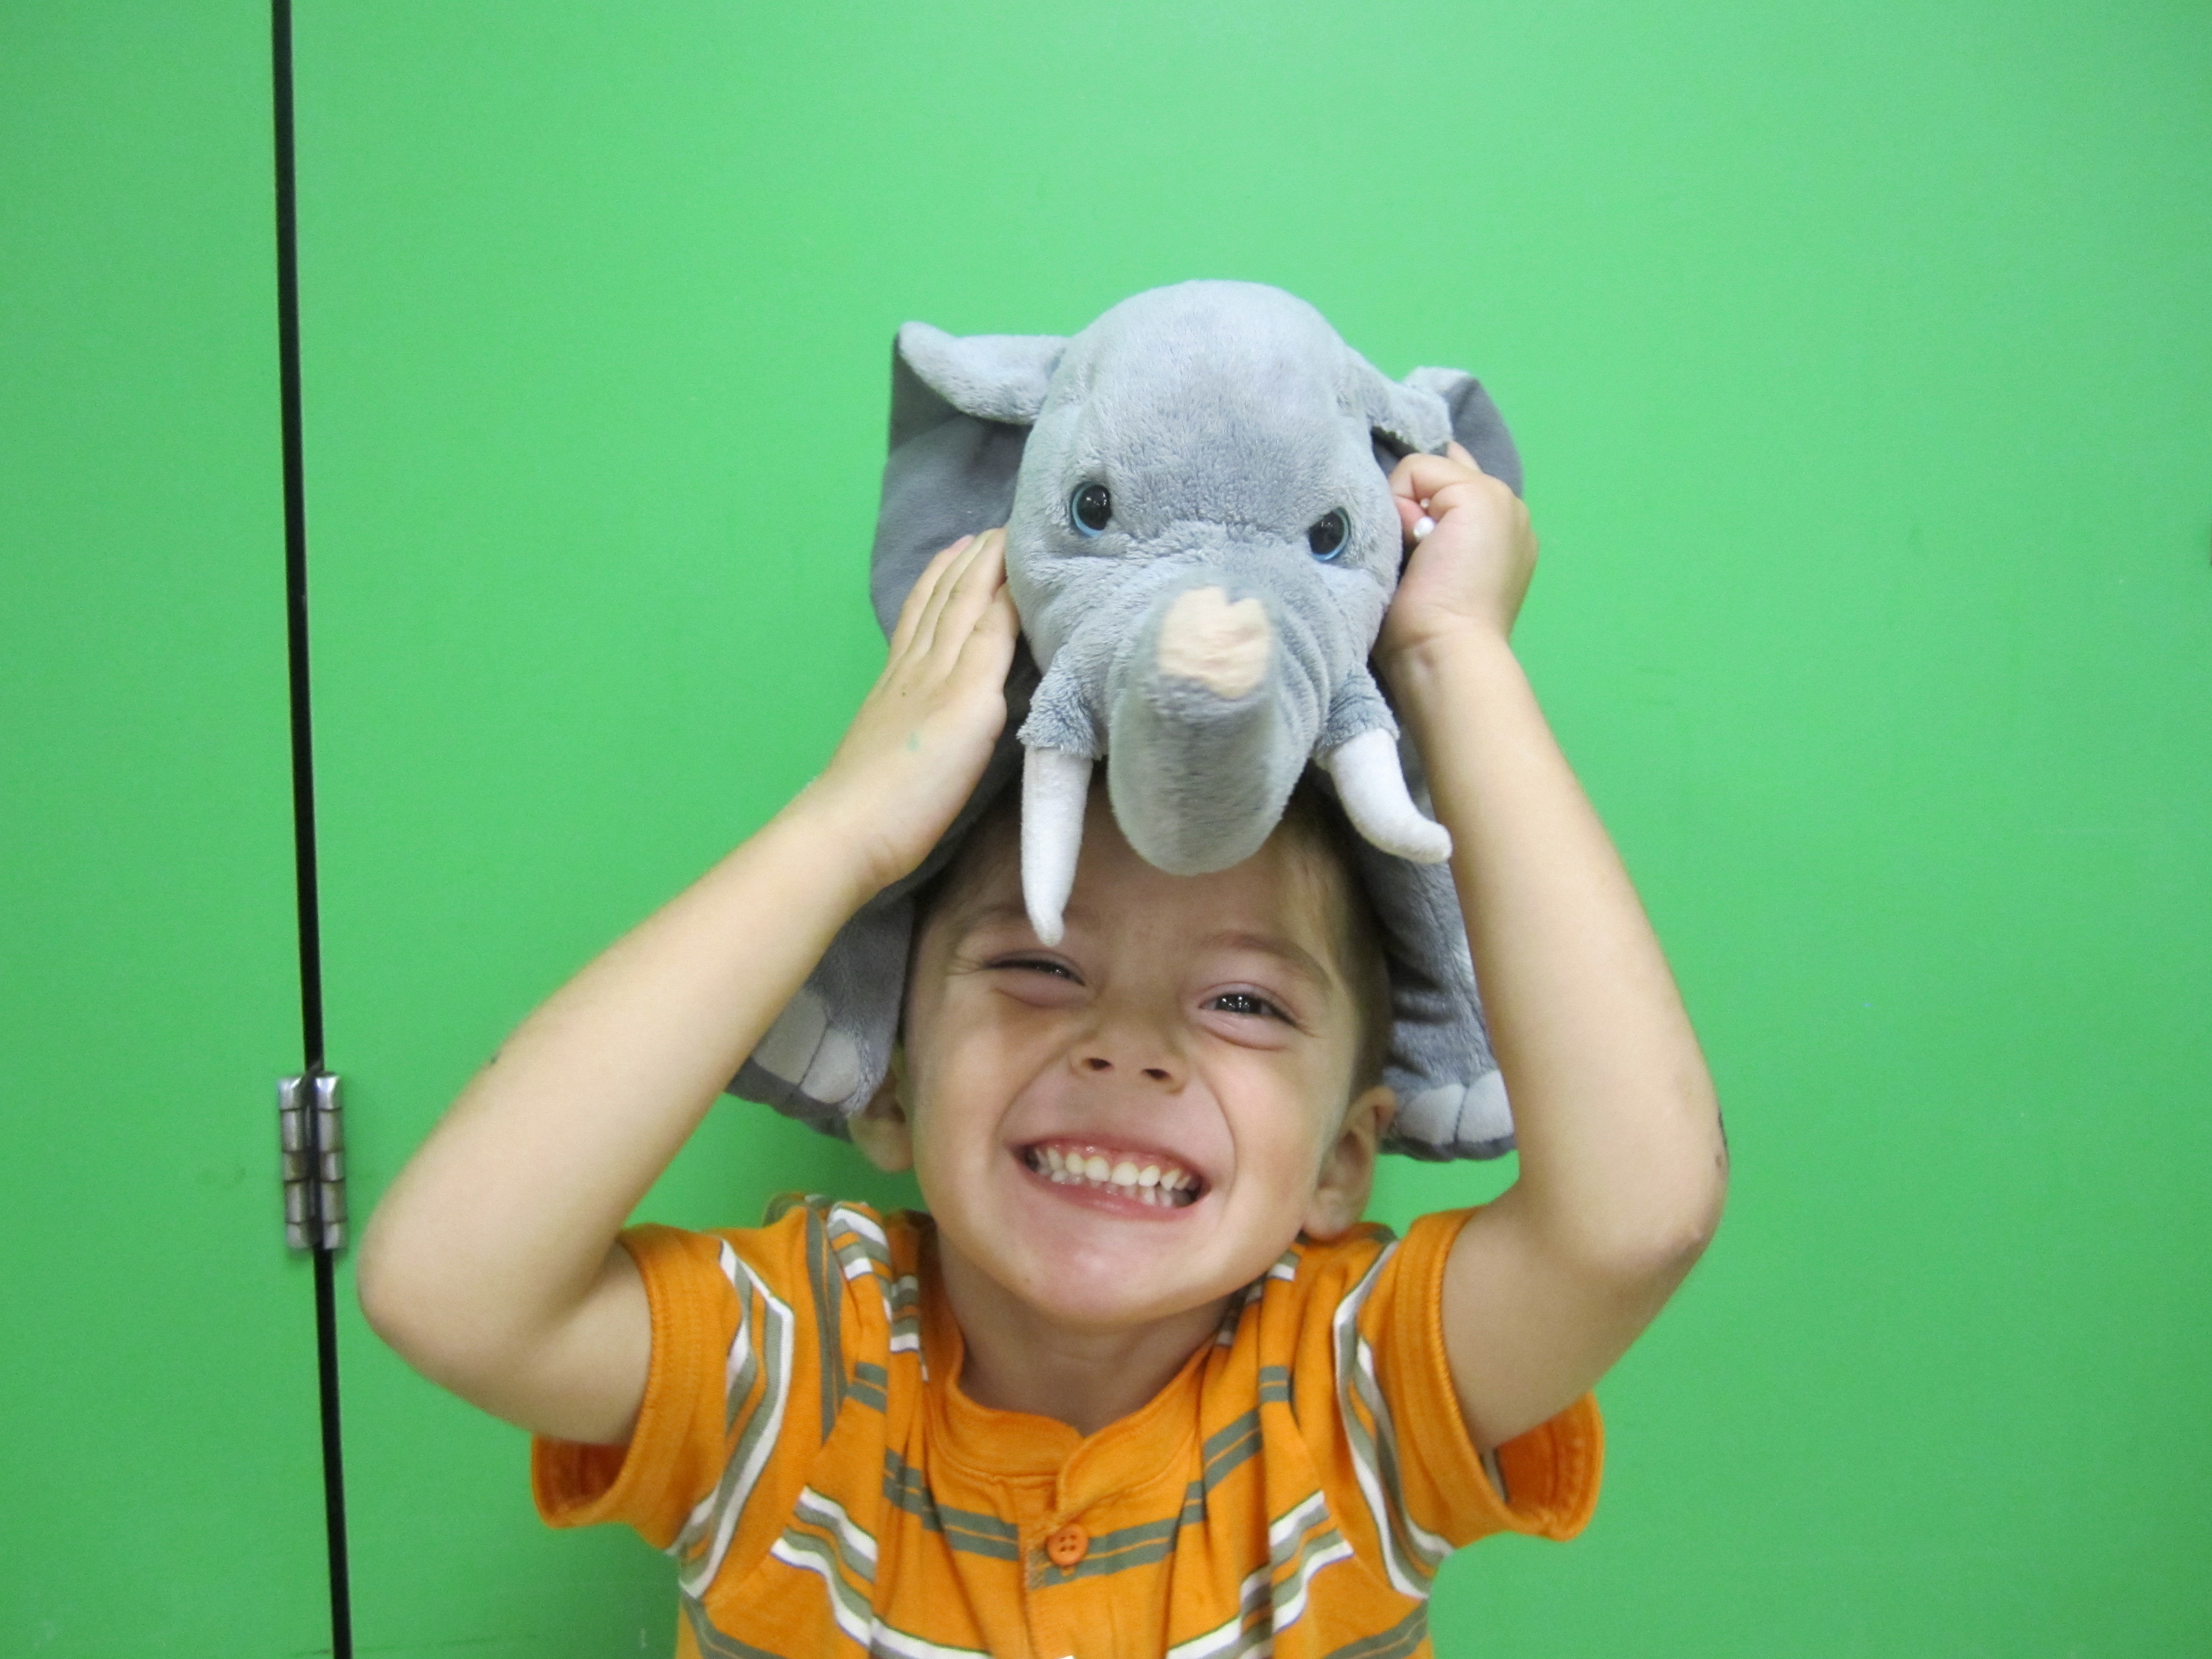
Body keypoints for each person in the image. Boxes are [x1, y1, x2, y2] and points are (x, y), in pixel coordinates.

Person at [359, 442, 1728, 1658]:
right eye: (1038, 967)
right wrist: (848, 825)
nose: (1128, 1049)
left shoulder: (1359, 1384)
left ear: (1341, 1163)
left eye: (1245, 1004)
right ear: (889, 1088)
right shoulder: (793, 1361)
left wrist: (1455, 657)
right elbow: (446, 1287)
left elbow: (1639, 1219)